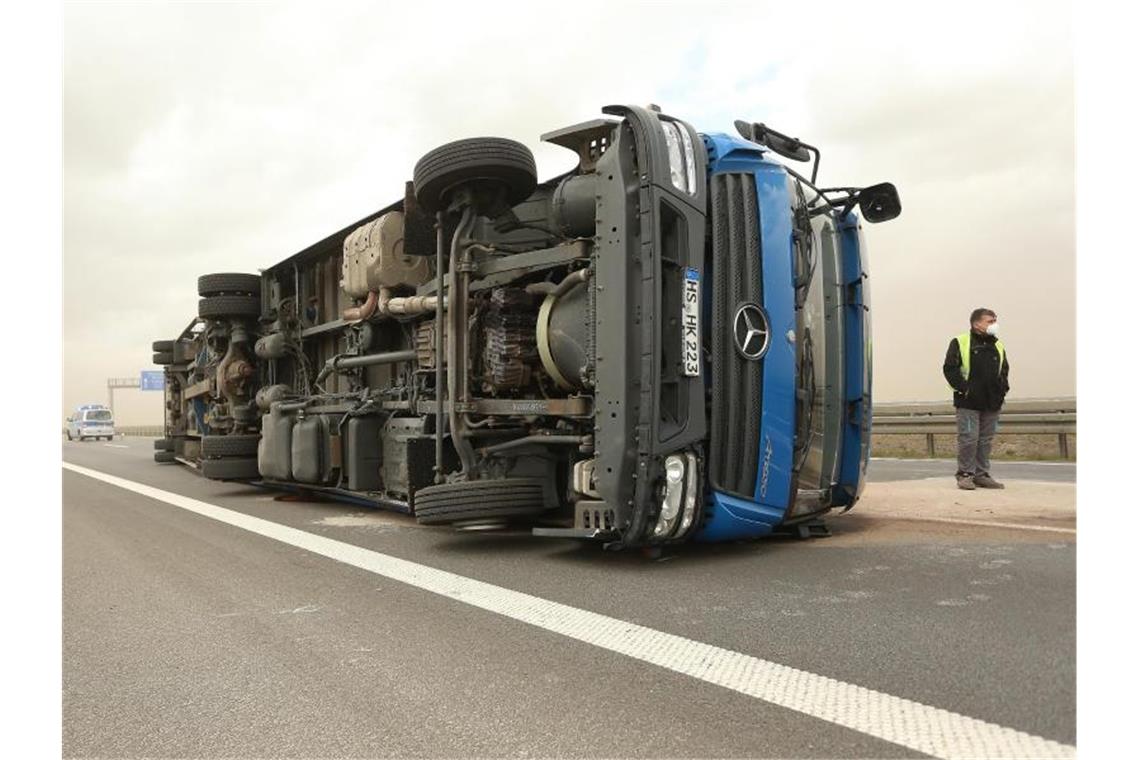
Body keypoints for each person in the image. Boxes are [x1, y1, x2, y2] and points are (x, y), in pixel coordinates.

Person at [942, 308, 1010, 490]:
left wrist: (1001, 392)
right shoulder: (960, 342)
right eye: (990, 321)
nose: (994, 324)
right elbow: (950, 369)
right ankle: (965, 474)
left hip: (992, 403)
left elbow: (1004, 371)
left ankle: (981, 474)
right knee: (969, 439)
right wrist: (965, 389)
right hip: (969, 402)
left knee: (986, 440)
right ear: (976, 323)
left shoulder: (998, 345)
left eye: (995, 320)